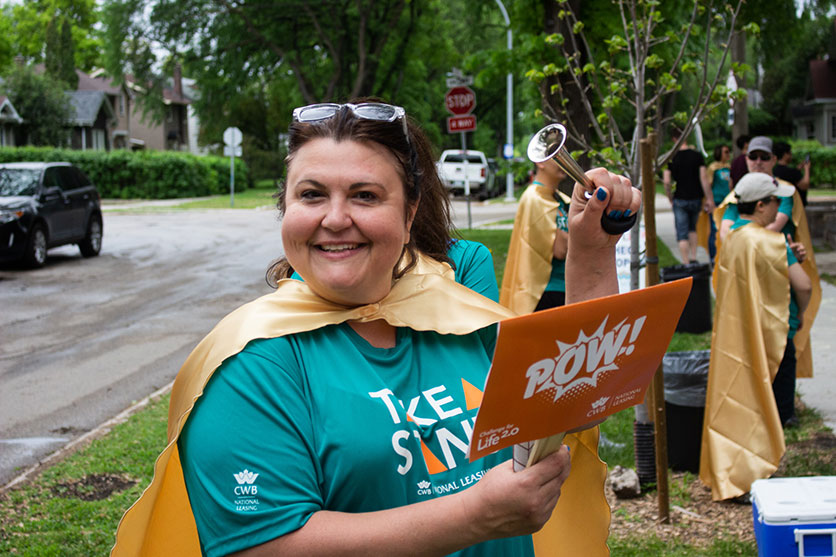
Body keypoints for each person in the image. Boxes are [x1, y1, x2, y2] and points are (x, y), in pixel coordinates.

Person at [111, 101, 641, 556]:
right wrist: (472, 517)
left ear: (410, 214)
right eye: (312, 194)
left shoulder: (460, 314)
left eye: (365, 195)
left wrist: (592, 251)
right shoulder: (250, 362)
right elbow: (260, 545)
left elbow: (572, 392)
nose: (335, 217)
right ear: (286, 209)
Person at [700, 172, 812, 501]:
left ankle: (730, 468)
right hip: (769, 336)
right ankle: (756, 472)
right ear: (761, 205)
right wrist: (800, 314)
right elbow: (803, 286)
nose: (781, 208)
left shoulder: (733, 237)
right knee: (768, 401)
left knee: (735, 398)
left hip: (735, 336)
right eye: (776, 202)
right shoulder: (770, 241)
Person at [500, 154, 572, 313]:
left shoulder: (559, 199)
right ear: (540, 162)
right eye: (557, 156)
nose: (564, 162)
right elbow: (560, 250)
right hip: (544, 292)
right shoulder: (535, 198)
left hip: (564, 288)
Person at [663, 129, 715, 264]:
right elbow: (703, 178)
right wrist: (709, 198)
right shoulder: (697, 156)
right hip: (696, 198)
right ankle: (693, 257)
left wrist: (669, 196)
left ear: (674, 139)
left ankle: (685, 263)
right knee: (692, 228)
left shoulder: (671, 157)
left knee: (682, 232)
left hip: (679, 198)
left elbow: (667, 181)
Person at [698, 144, 731, 264]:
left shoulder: (729, 167)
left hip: (727, 202)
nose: (728, 154)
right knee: (714, 228)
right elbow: (709, 184)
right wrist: (708, 200)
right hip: (716, 201)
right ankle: (713, 256)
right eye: (726, 152)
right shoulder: (713, 168)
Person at [773, 141, 811, 206]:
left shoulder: (774, 170)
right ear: (785, 154)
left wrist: (798, 169)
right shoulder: (791, 172)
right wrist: (807, 169)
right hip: (795, 206)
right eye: (790, 153)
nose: (791, 155)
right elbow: (804, 185)